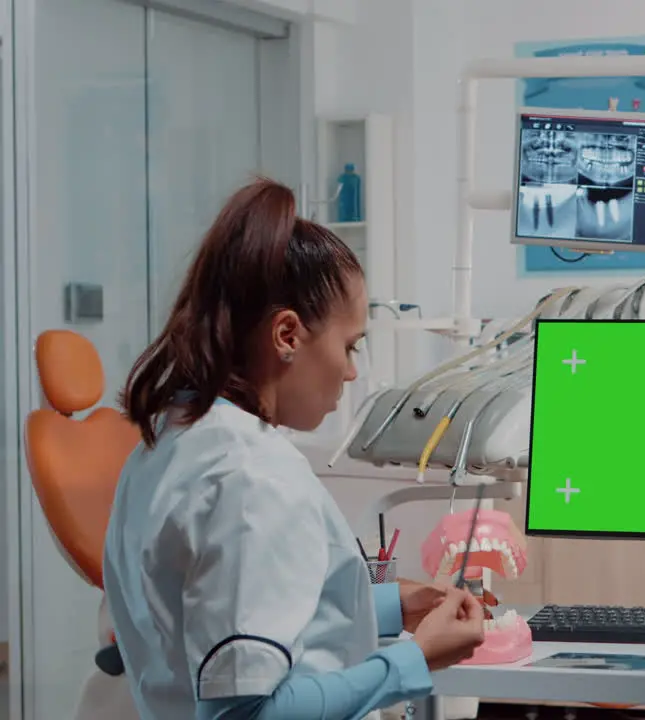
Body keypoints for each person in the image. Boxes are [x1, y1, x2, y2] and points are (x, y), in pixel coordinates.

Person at [102, 178, 485, 720]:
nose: (352, 371)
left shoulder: (168, 440)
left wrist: (392, 605)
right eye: (349, 346)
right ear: (287, 335)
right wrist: (414, 662)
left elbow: (205, 620)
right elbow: (246, 713)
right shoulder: (252, 480)